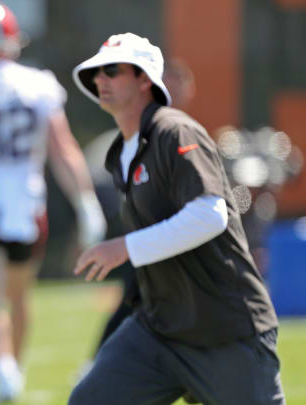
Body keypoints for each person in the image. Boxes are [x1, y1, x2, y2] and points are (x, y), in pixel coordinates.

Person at [69, 33, 284, 405]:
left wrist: (125, 248)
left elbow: (210, 214)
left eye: (111, 70)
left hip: (226, 331)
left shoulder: (175, 131)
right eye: (95, 74)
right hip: (160, 330)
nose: (99, 80)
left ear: (144, 79)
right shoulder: (122, 150)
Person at [0, 2, 106, 401]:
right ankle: (16, 367)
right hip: (26, 203)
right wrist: (85, 202)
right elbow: (65, 150)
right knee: (20, 295)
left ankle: (3, 369)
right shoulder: (37, 83)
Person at [81, 57, 197, 359]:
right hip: (150, 235)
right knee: (133, 298)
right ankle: (101, 360)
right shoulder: (138, 134)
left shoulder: (182, 132)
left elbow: (210, 209)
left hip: (182, 238)